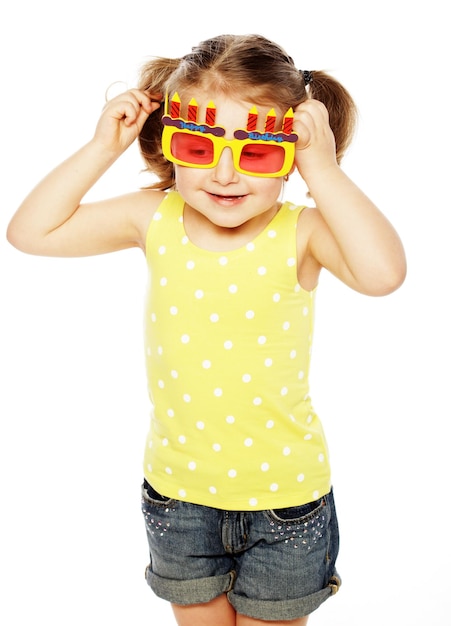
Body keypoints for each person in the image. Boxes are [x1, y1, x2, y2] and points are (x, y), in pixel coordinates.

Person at [6, 34, 406, 626]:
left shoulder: (304, 231)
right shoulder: (154, 218)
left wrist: (322, 170)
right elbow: (30, 233)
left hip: (285, 504)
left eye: (258, 154)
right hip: (179, 498)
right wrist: (101, 148)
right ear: (170, 143)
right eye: (197, 145)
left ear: (292, 151)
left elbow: (384, 275)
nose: (224, 174)